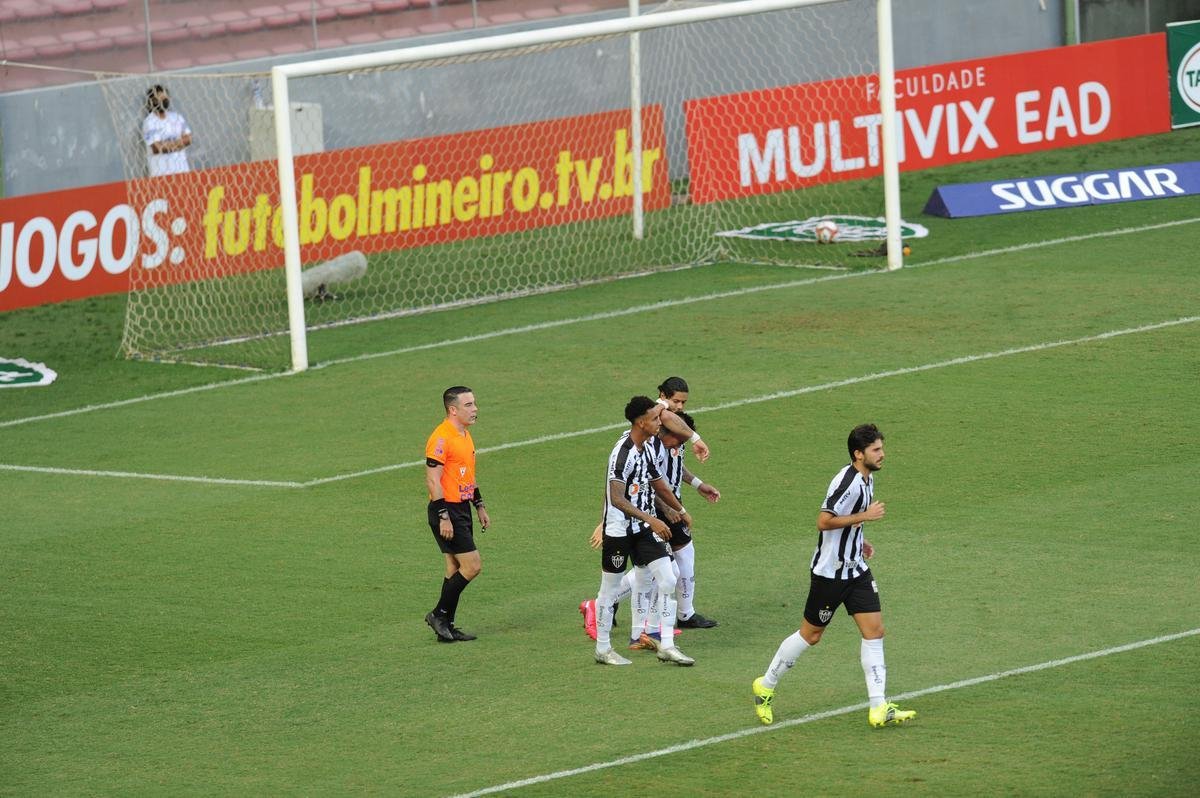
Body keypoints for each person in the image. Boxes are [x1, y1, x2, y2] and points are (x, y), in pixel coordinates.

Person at [751, 424, 916, 728]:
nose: (882, 454)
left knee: (874, 631)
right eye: (876, 450)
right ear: (859, 454)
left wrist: (859, 539)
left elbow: (846, 523)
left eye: (882, 448)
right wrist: (863, 517)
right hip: (829, 575)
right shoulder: (848, 481)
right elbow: (824, 521)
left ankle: (878, 707)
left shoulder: (867, 480)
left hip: (856, 570)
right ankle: (766, 685)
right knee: (810, 635)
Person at [578, 376, 713, 639]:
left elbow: (666, 472)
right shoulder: (651, 433)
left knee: (670, 565)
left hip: (665, 505)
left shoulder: (673, 430)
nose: (680, 407)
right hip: (648, 511)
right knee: (660, 570)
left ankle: (664, 621)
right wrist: (605, 520)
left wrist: (696, 486)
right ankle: (626, 620)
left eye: (684, 402)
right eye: (675, 401)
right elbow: (619, 483)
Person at [592, 396, 694, 666]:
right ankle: (603, 649)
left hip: (643, 527)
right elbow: (617, 498)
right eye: (654, 418)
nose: (658, 422)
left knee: (668, 579)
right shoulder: (622, 453)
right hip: (618, 530)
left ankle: (667, 646)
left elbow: (657, 484)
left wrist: (677, 511)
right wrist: (654, 518)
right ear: (640, 422)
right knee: (609, 589)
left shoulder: (647, 447)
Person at [423, 386, 492, 643]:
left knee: (454, 567)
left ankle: (446, 626)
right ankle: (438, 615)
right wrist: (443, 516)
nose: (475, 409)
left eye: (474, 403)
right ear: (453, 409)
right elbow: (433, 480)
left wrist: (479, 505)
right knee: (472, 566)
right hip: (446, 509)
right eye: (469, 405)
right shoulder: (441, 438)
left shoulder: (464, 435)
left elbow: (467, 475)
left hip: (461, 507)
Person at [142, 84, 192, 177]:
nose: (163, 100)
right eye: (160, 97)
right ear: (152, 101)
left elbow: (188, 139)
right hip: (161, 174)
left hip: (182, 171)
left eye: (165, 97)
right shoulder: (149, 122)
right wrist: (179, 144)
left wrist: (166, 145)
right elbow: (157, 148)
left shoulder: (177, 117)